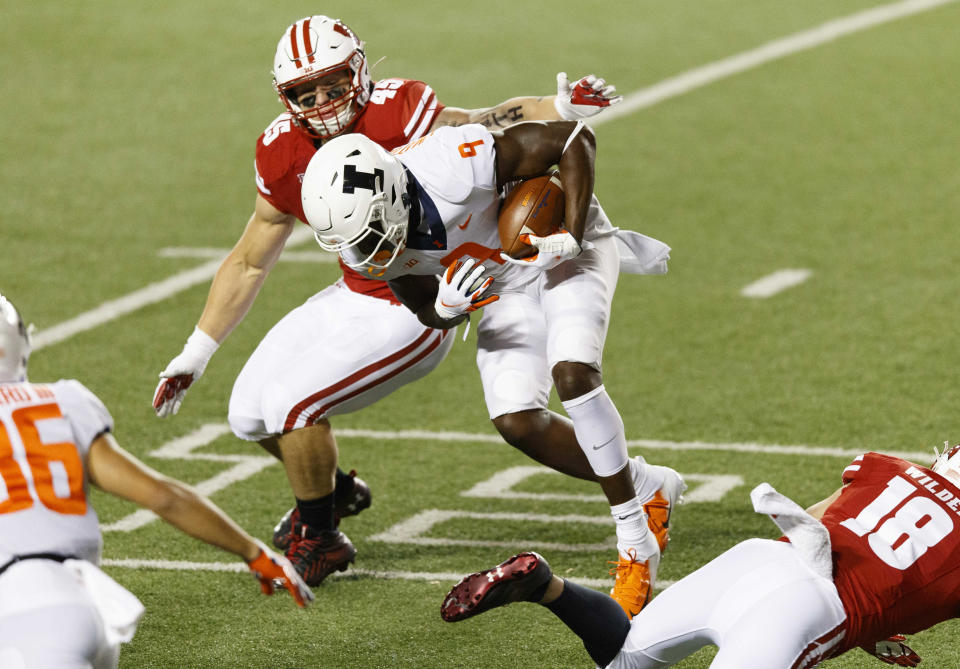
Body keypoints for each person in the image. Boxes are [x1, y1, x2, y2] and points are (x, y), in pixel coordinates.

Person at [151, 14, 680, 594]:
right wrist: (196, 351)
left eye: (333, 85)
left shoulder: (430, 142)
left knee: (292, 405)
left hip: (478, 269)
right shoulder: (310, 187)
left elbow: (493, 125)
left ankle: (321, 533)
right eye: (307, 93)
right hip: (422, 284)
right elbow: (255, 258)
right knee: (247, 413)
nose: (323, 102)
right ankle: (328, 491)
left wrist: (555, 109)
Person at [299, 111, 681, 617]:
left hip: (562, 248)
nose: (364, 248)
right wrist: (447, 309)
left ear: (389, 194)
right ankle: (649, 485)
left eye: (369, 231)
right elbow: (423, 306)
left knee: (573, 373)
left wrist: (570, 229)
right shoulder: (369, 244)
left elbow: (572, 136)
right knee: (517, 420)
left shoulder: (449, 166)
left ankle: (635, 541)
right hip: (502, 285)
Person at [0, 294, 312, 669]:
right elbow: (165, 497)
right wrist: (253, 552)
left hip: (23, 615)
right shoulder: (62, 401)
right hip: (90, 606)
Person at [438, 445, 960, 668]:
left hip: (762, 559)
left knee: (625, 659)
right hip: (811, 606)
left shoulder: (888, 468)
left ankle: (545, 586)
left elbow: (821, 525)